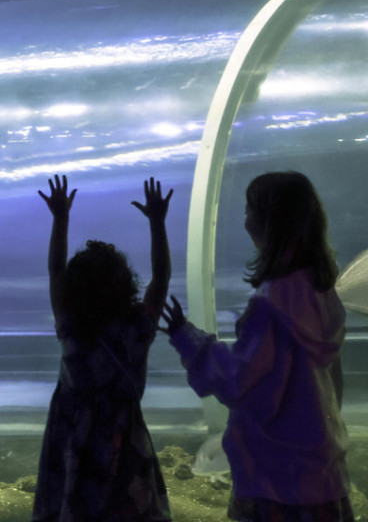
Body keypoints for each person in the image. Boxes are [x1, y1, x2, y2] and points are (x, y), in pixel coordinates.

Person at [161, 171, 352, 521]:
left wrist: (187, 338)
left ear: (271, 222)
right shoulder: (321, 292)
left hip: (276, 477)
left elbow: (240, 381)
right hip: (322, 469)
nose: (245, 218)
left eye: (251, 209)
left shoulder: (269, 306)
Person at [32, 174, 173, 522]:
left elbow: (54, 271)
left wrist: (60, 219)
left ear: (72, 292)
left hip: (72, 440)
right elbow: (161, 278)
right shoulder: (137, 329)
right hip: (123, 440)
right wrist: (158, 223)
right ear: (127, 285)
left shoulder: (72, 329)